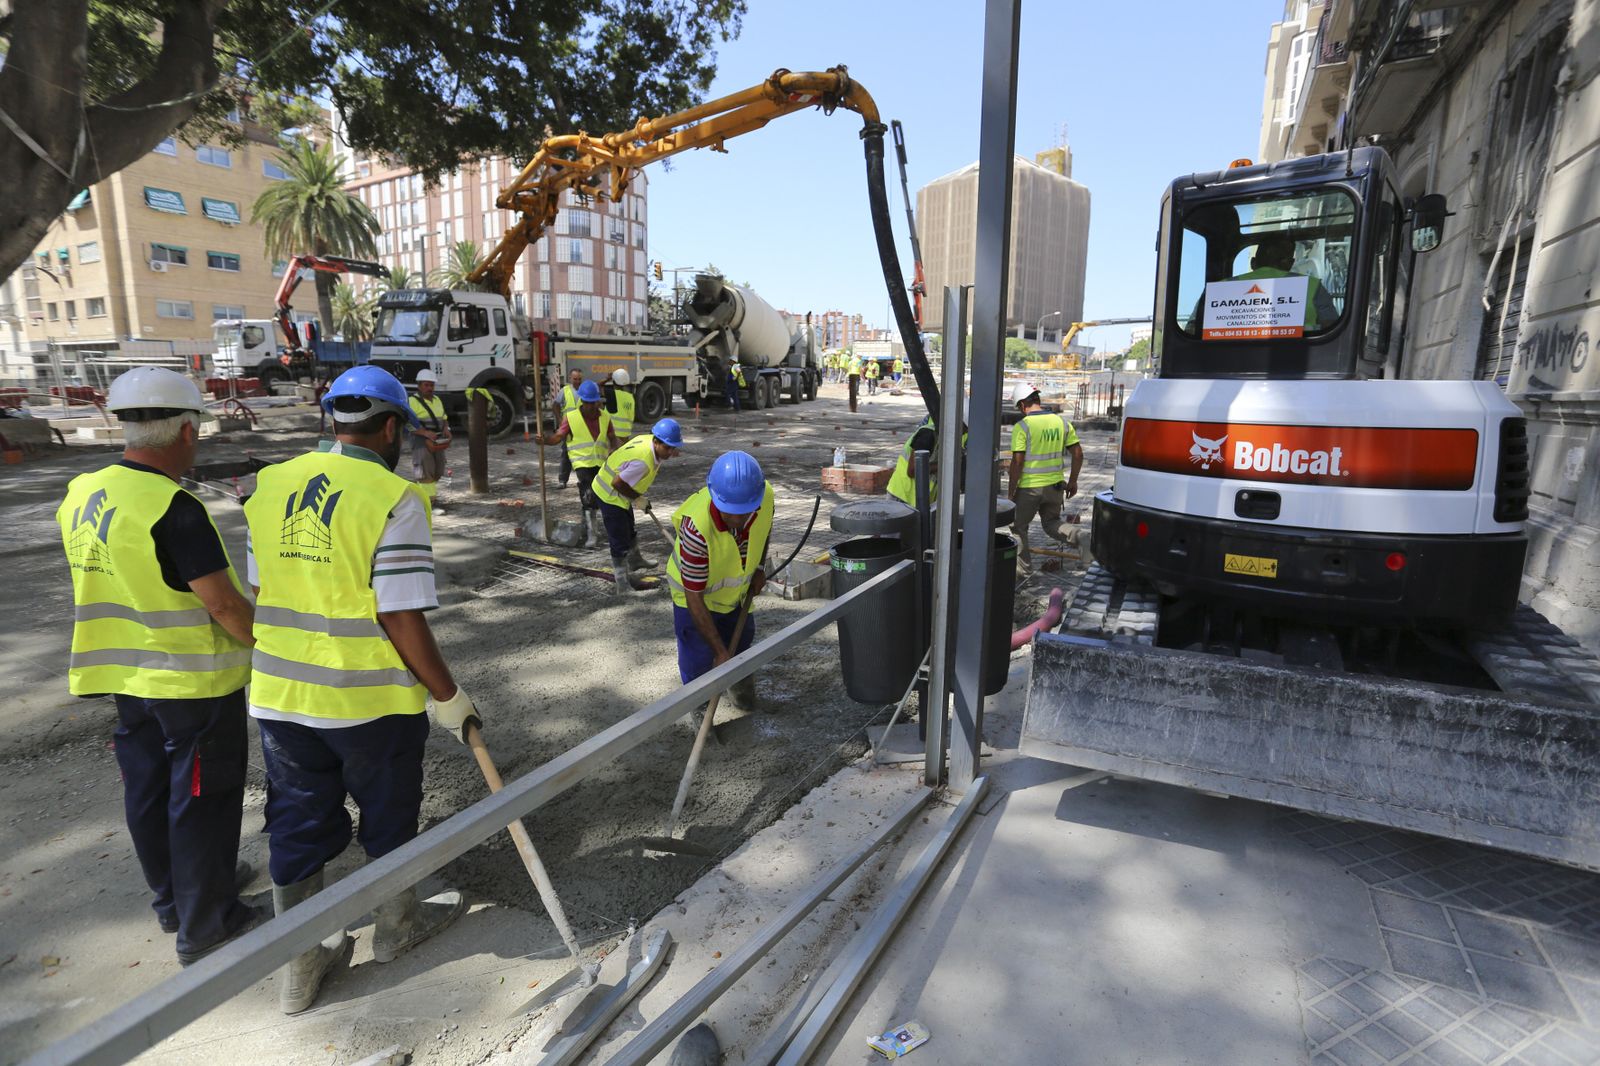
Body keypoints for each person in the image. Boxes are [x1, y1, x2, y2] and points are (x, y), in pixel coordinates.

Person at [244, 365, 475, 1014]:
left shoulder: (270, 484)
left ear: (334, 421)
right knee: (389, 815)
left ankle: (300, 965)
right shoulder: (392, 496)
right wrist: (447, 694)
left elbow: (262, 589)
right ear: (392, 427)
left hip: (281, 696)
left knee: (296, 823)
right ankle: (396, 927)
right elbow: (399, 613)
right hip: (368, 702)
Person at [56, 367, 263, 968]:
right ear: (188, 432)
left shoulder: (82, 492)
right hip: (190, 680)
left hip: (124, 677)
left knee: (148, 790)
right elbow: (222, 604)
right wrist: (271, 647)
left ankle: (176, 899)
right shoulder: (175, 507)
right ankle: (208, 923)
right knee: (202, 797)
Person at [665, 451, 773, 712]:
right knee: (699, 659)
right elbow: (694, 597)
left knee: (742, 644)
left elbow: (766, 527)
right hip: (695, 599)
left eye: (744, 512)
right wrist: (719, 652)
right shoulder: (696, 529)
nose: (737, 520)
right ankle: (700, 710)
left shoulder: (765, 496)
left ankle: (741, 693)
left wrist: (760, 567)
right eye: (730, 512)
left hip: (736, 595)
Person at [593, 418, 683, 594]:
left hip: (619, 494)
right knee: (619, 538)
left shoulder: (647, 439)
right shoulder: (643, 462)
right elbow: (617, 483)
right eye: (668, 448)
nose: (671, 452)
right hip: (609, 495)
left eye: (673, 448)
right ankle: (622, 584)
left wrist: (635, 498)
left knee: (629, 527)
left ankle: (635, 560)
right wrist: (638, 499)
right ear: (656, 442)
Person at [1006, 381, 1084, 574]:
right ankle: (1082, 538)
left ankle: (1024, 572)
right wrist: (1073, 481)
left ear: (1022, 404)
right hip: (1055, 487)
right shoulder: (1061, 423)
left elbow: (1017, 463)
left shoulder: (1023, 426)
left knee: (1018, 527)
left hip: (1030, 489)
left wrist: (1011, 491)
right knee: (1051, 524)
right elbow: (1078, 454)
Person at [1193, 233, 1338, 333]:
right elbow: (1332, 331)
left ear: (1253, 263)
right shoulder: (1312, 287)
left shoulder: (1217, 290)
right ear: (1289, 263)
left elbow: (1192, 330)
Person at [536, 379, 620, 548]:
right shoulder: (571, 417)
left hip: (601, 463)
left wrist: (614, 450)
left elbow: (612, 438)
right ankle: (591, 535)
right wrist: (545, 440)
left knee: (601, 497)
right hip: (582, 463)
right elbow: (558, 437)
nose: (591, 406)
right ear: (582, 400)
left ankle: (589, 528)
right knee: (588, 495)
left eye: (594, 402)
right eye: (588, 402)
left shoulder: (605, 417)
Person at [886, 414, 965, 507]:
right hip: (902, 496)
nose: (965, 433)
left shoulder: (953, 439)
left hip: (923, 500)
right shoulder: (928, 434)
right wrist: (947, 464)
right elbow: (913, 470)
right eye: (965, 429)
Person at [408, 368, 450, 512]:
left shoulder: (437, 400)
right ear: (419, 386)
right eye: (426, 385)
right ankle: (429, 504)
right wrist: (425, 433)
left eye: (431, 385)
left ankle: (421, 497)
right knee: (425, 472)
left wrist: (446, 429)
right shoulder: (412, 401)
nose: (429, 388)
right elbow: (408, 424)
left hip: (437, 439)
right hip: (420, 440)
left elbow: (444, 418)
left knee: (438, 469)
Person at [553, 368, 583, 488]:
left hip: (582, 428)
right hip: (568, 427)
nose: (578, 381)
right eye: (575, 379)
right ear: (570, 378)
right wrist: (560, 421)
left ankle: (583, 480)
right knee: (566, 453)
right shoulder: (565, 391)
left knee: (582, 455)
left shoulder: (584, 390)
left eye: (579, 379)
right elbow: (555, 405)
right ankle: (562, 480)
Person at [609, 368, 637, 440]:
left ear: (613, 382)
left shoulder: (611, 394)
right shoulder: (630, 397)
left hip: (613, 435)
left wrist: (607, 379)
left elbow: (597, 387)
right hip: (626, 435)